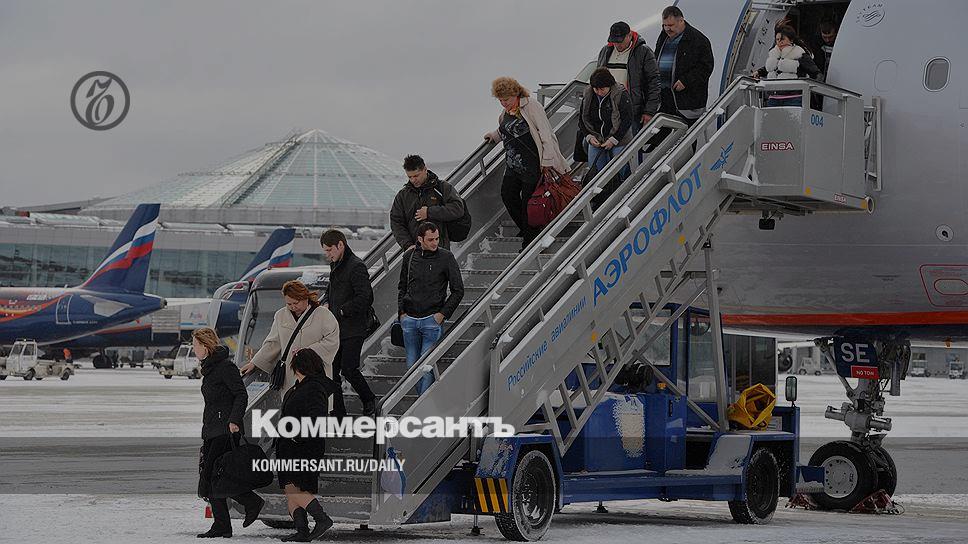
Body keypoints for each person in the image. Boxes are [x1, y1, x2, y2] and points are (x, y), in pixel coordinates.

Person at [194, 327, 264, 538]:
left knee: (213, 477)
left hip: (224, 430)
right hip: (212, 430)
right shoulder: (210, 368)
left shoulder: (225, 367)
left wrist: (234, 420)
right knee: (215, 478)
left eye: (195, 345)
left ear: (205, 346)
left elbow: (241, 394)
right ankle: (229, 520)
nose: (194, 349)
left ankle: (237, 513)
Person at [484, 76, 569, 250]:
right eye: (500, 100)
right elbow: (505, 129)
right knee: (508, 195)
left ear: (516, 94)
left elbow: (545, 134)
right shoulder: (506, 112)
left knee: (528, 203)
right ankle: (526, 228)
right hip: (513, 164)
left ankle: (529, 242)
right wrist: (494, 136)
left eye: (507, 99)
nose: (504, 103)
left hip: (532, 164)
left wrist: (547, 160)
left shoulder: (531, 106)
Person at [275, 348, 340, 542]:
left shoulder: (314, 388)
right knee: (291, 489)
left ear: (298, 367)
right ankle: (302, 531)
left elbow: (316, 418)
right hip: (290, 446)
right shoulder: (298, 387)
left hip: (303, 446)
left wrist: (297, 437)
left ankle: (322, 519)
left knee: (295, 488)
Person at [241, 280, 340, 401]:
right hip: (290, 375)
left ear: (305, 298)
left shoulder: (323, 314)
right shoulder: (280, 315)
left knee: (316, 405)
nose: (293, 307)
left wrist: (307, 353)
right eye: (289, 304)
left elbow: (332, 340)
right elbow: (273, 343)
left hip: (315, 373)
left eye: (296, 303)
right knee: (292, 405)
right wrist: (255, 362)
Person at [398, 222, 464, 394]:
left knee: (426, 368)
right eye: (430, 239)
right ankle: (422, 404)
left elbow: (458, 290)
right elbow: (402, 286)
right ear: (420, 239)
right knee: (411, 369)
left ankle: (421, 406)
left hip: (432, 321)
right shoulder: (409, 256)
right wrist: (401, 313)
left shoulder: (446, 257)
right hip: (409, 320)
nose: (435, 243)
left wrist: (442, 314)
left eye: (437, 239)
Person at [321, 229, 377, 417]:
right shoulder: (335, 265)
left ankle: (368, 399)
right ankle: (338, 412)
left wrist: (342, 310)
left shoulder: (356, 266)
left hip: (354, 328)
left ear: (340, 245)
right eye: (325, 251)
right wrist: (326, 302)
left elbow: (366, 297)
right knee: (332, 371)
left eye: (329, 250)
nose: (328, 255)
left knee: (349, 368)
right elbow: (330, 290)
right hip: (336, 329)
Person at [596, 21, 661, 134]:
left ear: (629, 36)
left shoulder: (643, 52)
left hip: (632, 111)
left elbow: (654, 82)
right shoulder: (605, 51)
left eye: (620, 41)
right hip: (607, 110)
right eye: (614, 41)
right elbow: (597, 79)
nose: (617, 45)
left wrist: (649, 111)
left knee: (630, 142)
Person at [654, 6, 714, 127]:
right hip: (664, 100)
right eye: (665, 25)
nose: (667, 29)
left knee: (686, 136)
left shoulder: (698, 40)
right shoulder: (663, 37)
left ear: (681, 21)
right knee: (661, 135)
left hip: (686, 103)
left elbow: (706, 67)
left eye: (671, 25)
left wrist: (686, 81)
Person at [390, 154, 465, 251]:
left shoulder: (442, 188)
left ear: (425, 169)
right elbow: (396, 222)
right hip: (415, 251)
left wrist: (429, 212)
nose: (413, 180)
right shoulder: (403, 195)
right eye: (410, 177)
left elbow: (458, 208)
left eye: (416, 176)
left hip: (440, 250)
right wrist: (407, 244)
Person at [582, 68, 634, 179]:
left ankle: (621, 184)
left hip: (619, 139)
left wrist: (614, 139)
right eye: (596, 89)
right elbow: (582, 119)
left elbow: (627, 119)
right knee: (596, 172)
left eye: (602, 89)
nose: (599, 92)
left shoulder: (621, 94)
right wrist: (589, 136)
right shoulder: (588, 94)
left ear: (609, 85)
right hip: (596, 138)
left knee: (619, 169)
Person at [754, 26, 820, 107]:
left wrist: (810, 89)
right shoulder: (774, 54)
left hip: (794, 98)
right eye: (777, 39)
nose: (780, 42)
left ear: (791, 40)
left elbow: (815, 72)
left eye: (782, 39)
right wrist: (758, 72)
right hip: (773, 98)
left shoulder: (799, 54)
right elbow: (770, 68)